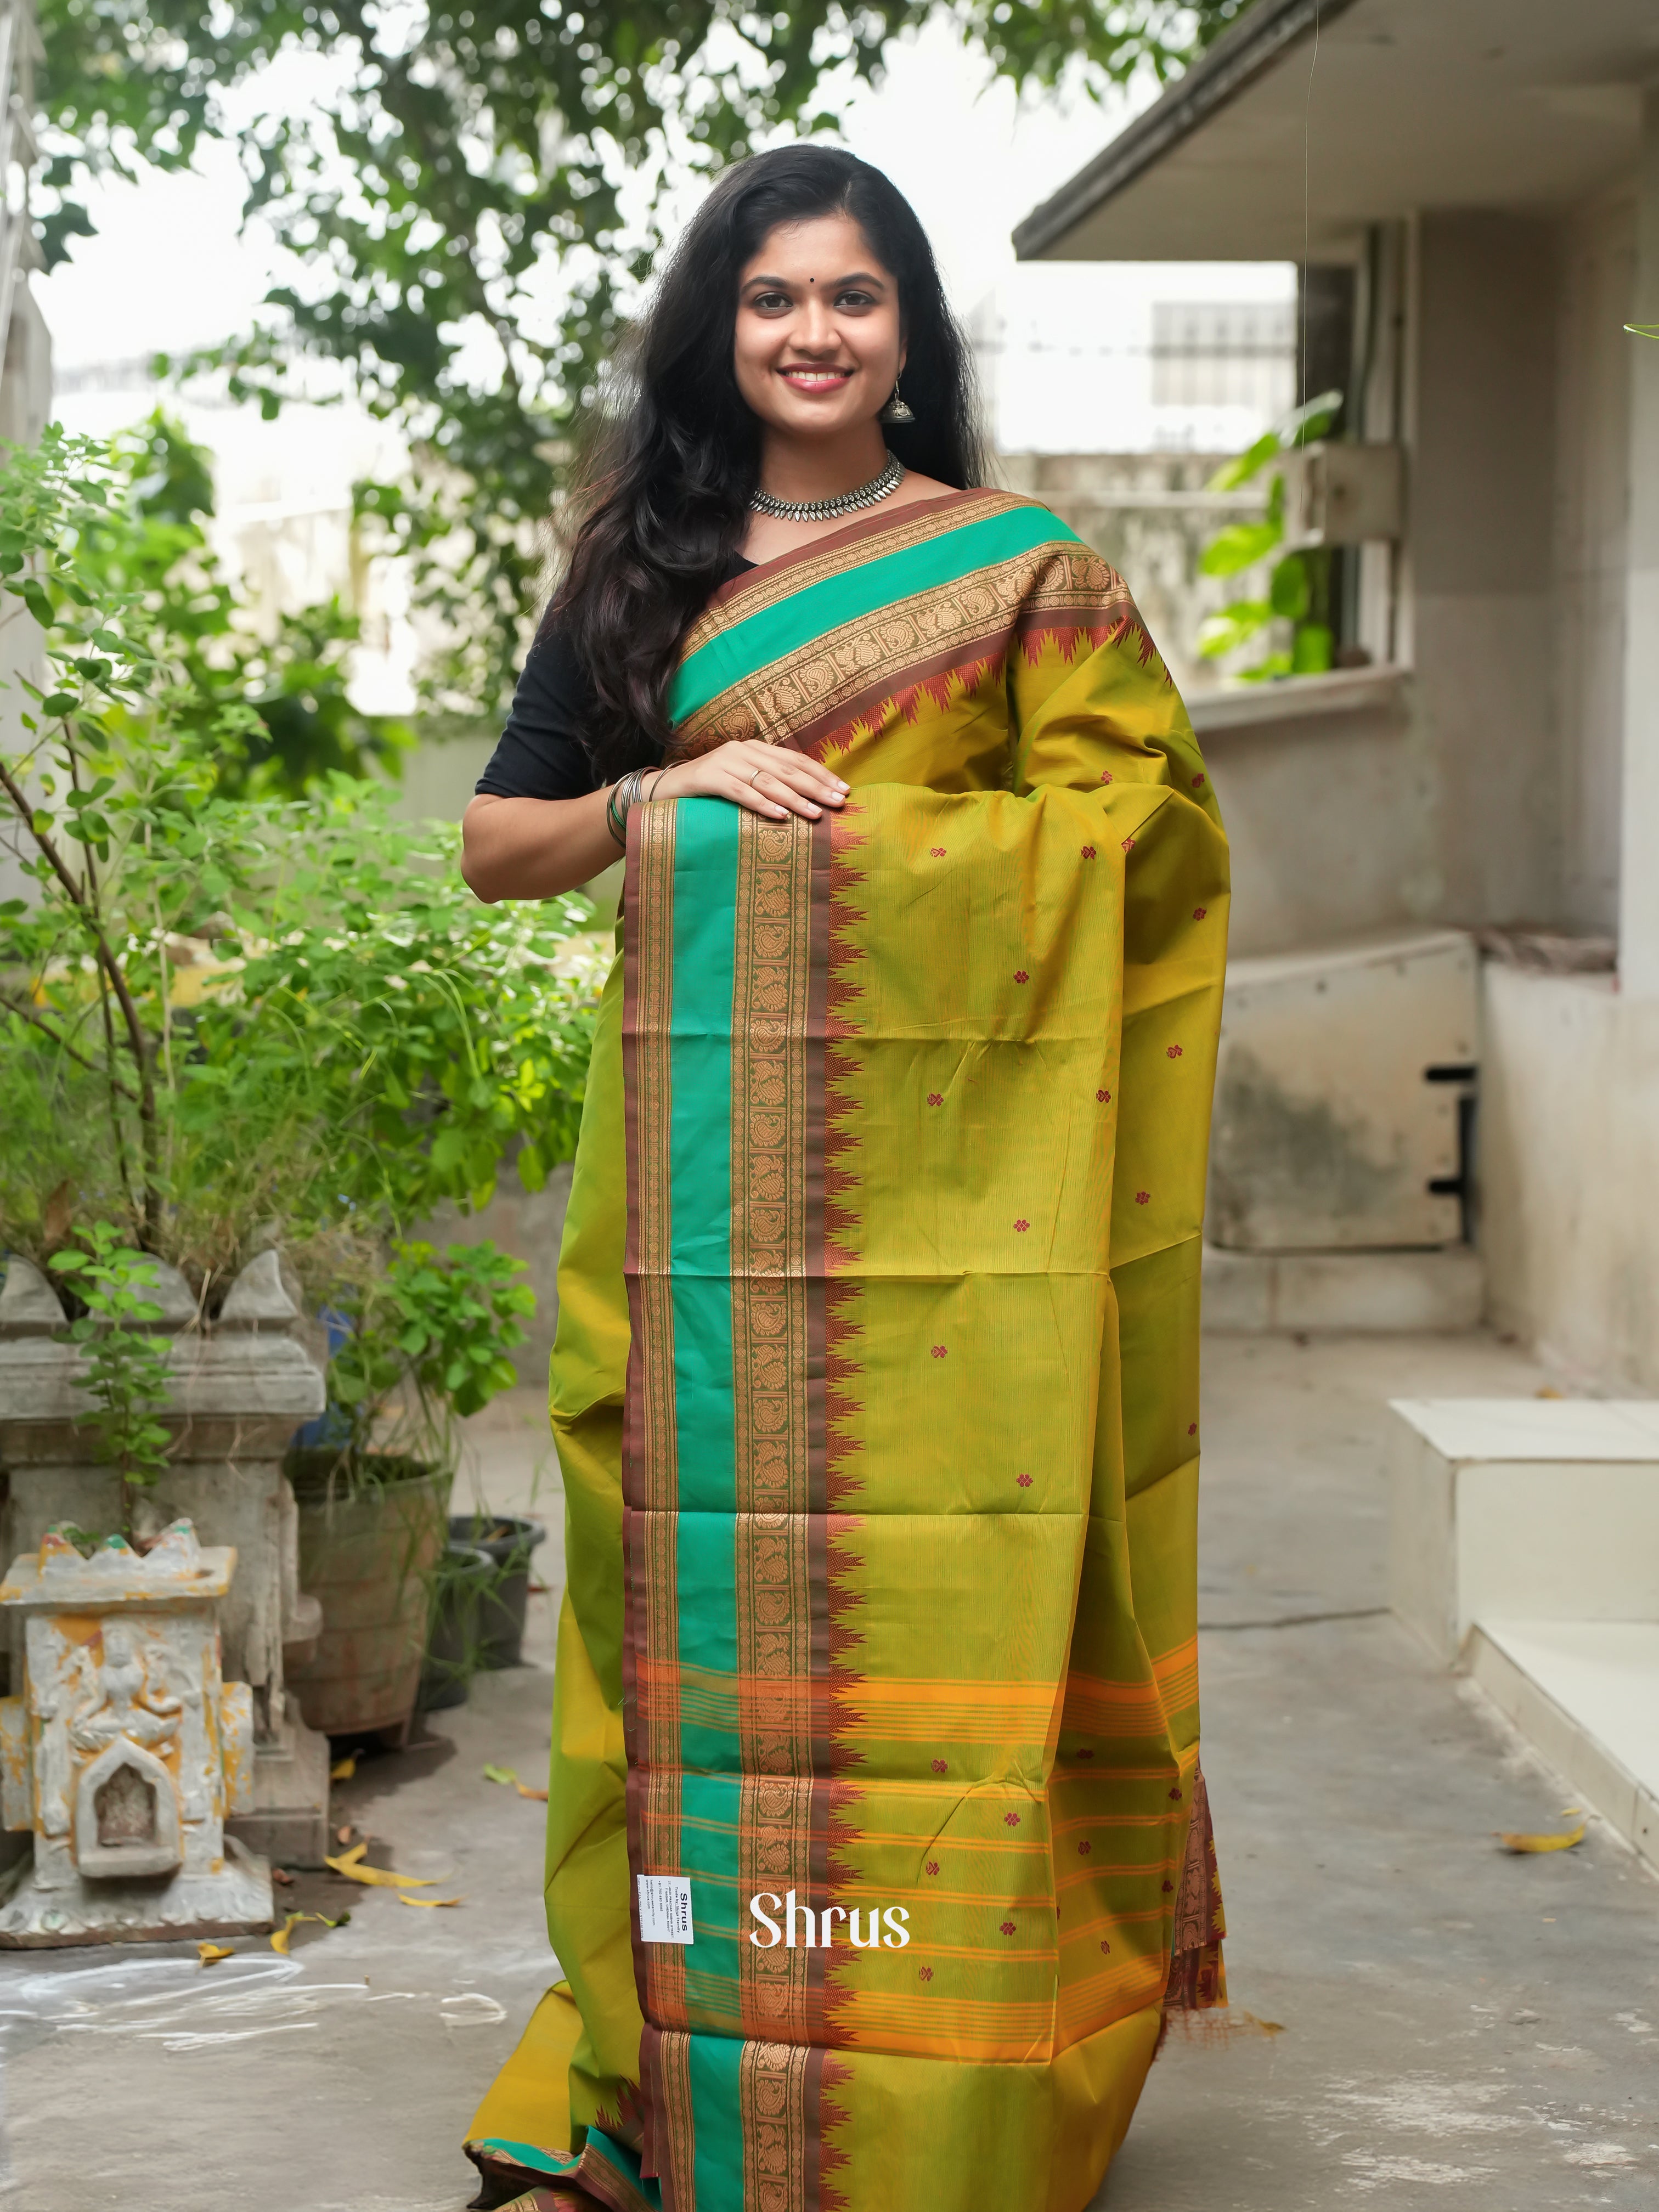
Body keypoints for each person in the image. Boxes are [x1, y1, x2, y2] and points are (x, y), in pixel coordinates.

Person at [460, 143, 1230, 2212]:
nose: (814, 332)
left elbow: (1136, 842)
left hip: (964, 1228)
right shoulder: (646, 564)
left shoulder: (1024, 571)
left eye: (855, 297)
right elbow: (497, 842)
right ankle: (655, 2087)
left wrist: (839, 864)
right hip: (704, 1216)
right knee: (683, 1637)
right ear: (724, 324)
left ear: (909, 329)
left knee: (955, 1640)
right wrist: (671, 795)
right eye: (776, 296)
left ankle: (935, 2100)